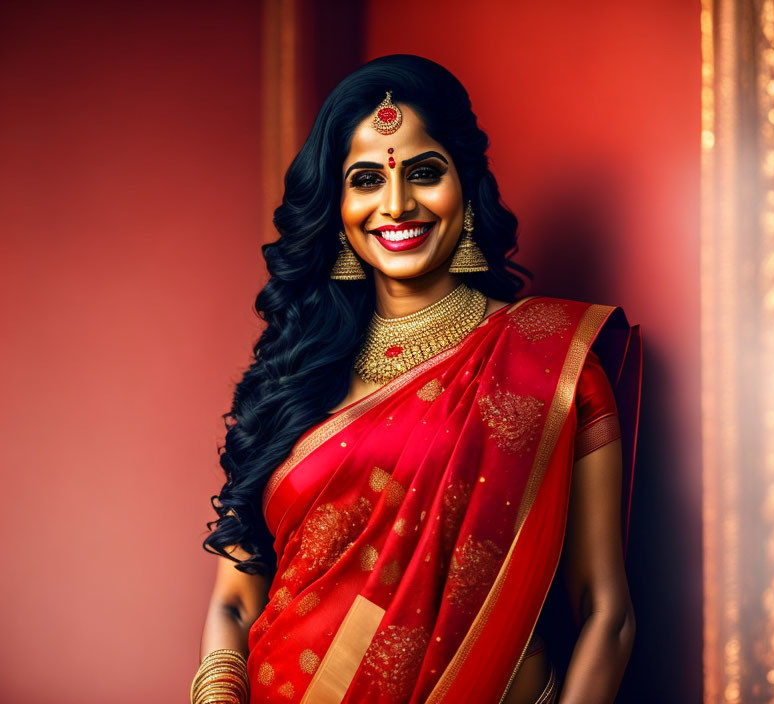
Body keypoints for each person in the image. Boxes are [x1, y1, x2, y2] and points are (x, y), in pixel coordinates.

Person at [194, 54, 642, 704]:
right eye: (367, 179)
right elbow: (235, 602)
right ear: (339, 204)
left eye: (425, 173)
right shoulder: (294, 373)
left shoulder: (545, 364)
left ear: (467, 183)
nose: (397, 204)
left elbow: (606, 610)